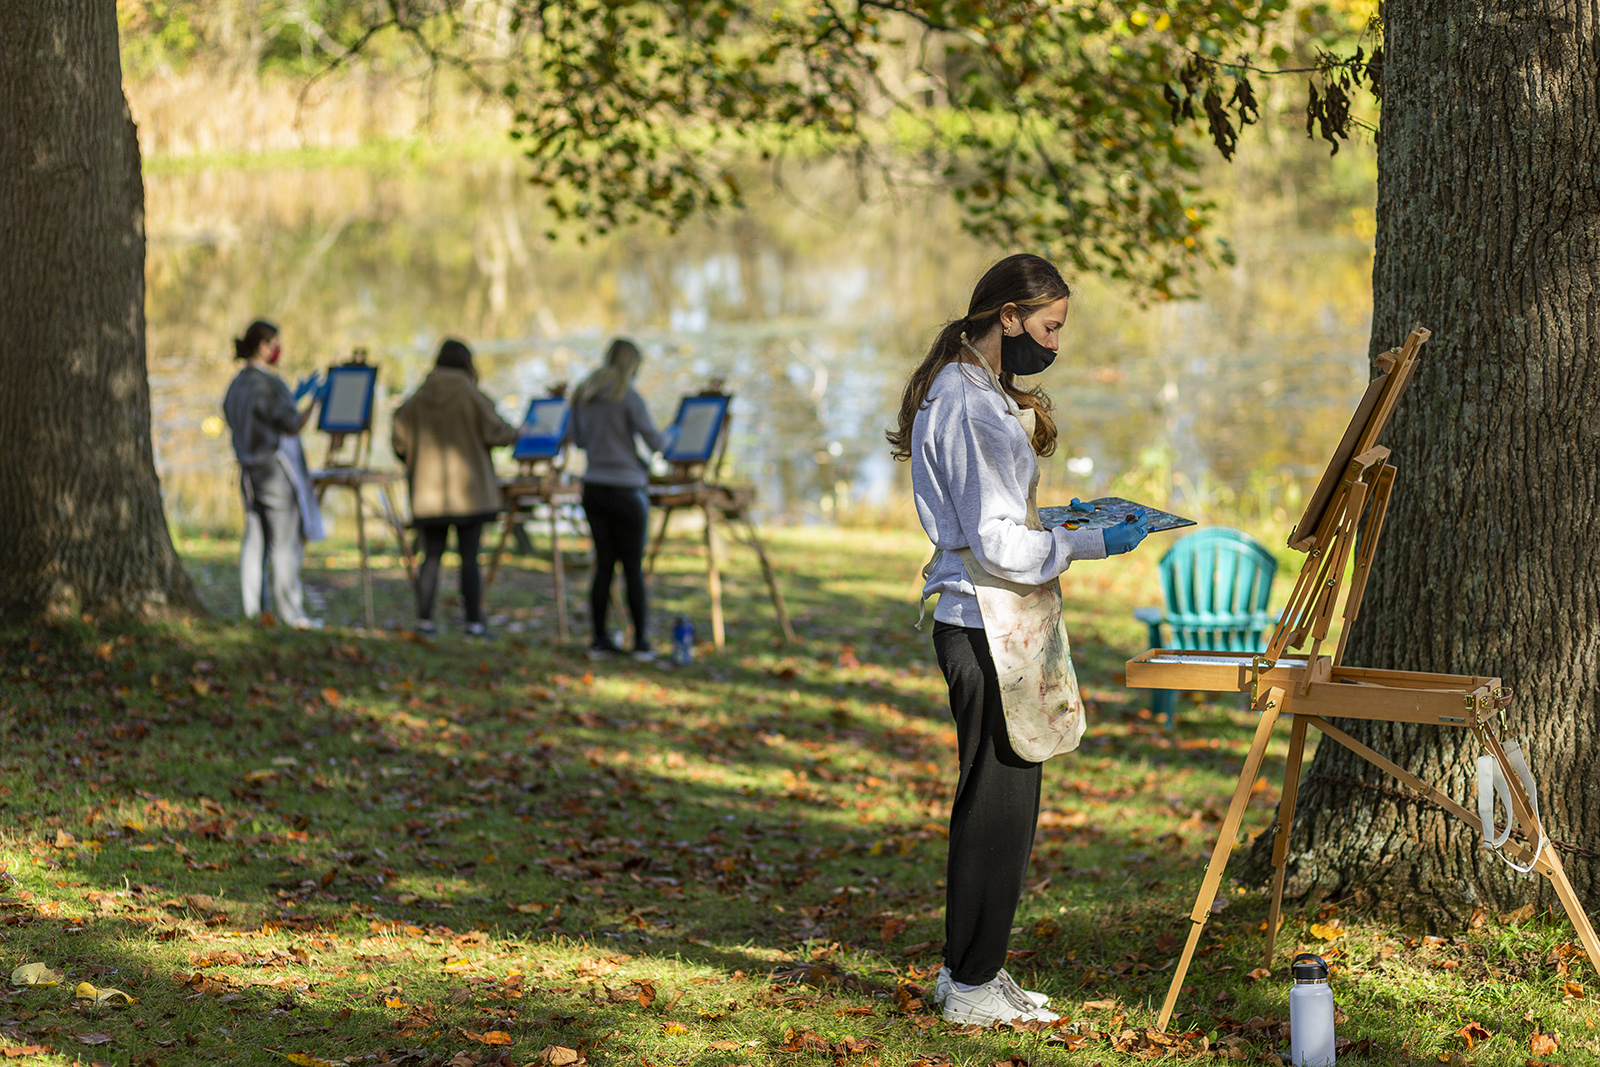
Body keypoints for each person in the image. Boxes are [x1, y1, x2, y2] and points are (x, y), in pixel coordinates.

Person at [888, 254, 1150, 1026]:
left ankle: (973, 970)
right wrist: (1090, 542)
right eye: (1049, 325)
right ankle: (970, 987)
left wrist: (1061, 523)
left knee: (1003, 801)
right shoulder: (966, 405)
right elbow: (997, 546)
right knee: (996, 808)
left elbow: (997, 522)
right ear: (1008, 316)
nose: (1056, 342)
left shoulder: (974, 390)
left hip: (991, 623)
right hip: (983, 627)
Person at [392, 339, 519, 637]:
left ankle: (425, 620)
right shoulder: (469, 393)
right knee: (469, 557)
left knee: (431, 557)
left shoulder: (419, 396)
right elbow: (497, 431)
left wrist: (411, 457)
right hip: (469, 493)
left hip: (428, 495)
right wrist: (521, 433)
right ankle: (473, 621)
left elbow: (398, 436)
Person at [570, 338, 671, 660]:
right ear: (632, 365)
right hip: (626, 489)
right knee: (632, 568)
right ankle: (640, 642)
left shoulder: (583, 395)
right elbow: (656, 443)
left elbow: (581, 442)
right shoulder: (628, 395)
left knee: (603, 565)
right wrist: (677, 434)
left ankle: (599, 639)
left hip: (594, 487)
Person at [223, 319, 324, 629]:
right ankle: (291, 613)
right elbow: (292, 424)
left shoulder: (237, 385)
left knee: (255, 540)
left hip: (248, 470)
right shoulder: (269, 383)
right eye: (275, 343)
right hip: (274, 470)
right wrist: (315, 402)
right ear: (264, 346)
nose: (279, 349)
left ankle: (254, 610)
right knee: (284, 542)